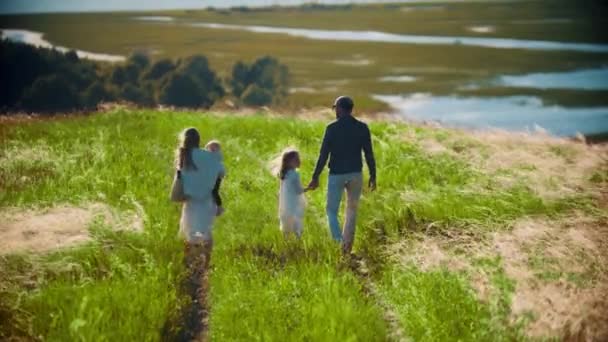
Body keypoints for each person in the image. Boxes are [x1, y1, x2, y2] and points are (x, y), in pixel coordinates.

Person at [307, 96, 376, 254]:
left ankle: (338, 241)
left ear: (340, 108)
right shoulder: (362, 128)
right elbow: (369, 154)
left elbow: (323, 155)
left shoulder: (332, 128)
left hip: (337, 174)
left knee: (331, 210)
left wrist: (315, 176)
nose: (334, 111)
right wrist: (373, 175)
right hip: (356, 174)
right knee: (352, 211)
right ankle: (346, 247)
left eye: (335, 107)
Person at [175, 128, 225, 267]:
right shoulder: (209, 156)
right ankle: (206, 262)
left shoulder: (184, 155)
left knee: (189, 231)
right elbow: (221, 172)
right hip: (207, 201)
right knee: (206, 231)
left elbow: (180, 178)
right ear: (199, 140)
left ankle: (189, 262)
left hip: (190, 201)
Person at [278, 149, 307, 239]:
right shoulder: (295, 174)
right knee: (297, 224)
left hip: (285, 204)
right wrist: (309, 188)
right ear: (289, 163)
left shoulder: (284, 175)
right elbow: (298, 190)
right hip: (294, 204)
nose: (299, 161)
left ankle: (286, 242)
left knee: (286, 226)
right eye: (296, 160)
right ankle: (298, 241)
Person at [205, 140, 225, 217]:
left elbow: (220, 168)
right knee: (210, 192)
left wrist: (221, 174)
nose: (211, 150)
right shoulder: (208, 157)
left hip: (217, 177)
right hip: (210, 177)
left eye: (213, 149)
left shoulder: (217, 157)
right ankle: (212, 207)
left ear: (218, 149)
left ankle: (219, 208)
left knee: (214, 191)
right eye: (209, 148)